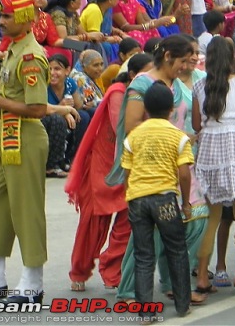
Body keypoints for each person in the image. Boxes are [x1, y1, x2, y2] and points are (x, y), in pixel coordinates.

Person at [0, 0, 50, 304]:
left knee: (26, 211)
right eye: (2, 15)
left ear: (23, 17)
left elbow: (38, 109)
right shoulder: (13, 50)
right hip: (8, 137)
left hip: (27, 137)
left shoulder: (32, 57)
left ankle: (32, 282)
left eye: (7, 15)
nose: (1, 21)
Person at [66, 53, 154, 292]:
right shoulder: (118, 91)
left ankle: (113, 271)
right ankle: (79, 271)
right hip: (104, 165)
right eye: (148, 72)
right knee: (93, 221)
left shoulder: (148, 91)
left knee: (128, 220)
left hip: (129, 162)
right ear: (134, 75)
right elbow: (120, 126)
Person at [121, 82, 194, 321]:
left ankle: (145, 312)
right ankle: (183, 305)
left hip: (138, 200)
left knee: (144, 255)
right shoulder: (178, 136)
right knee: (176, 250)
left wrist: (129, 196)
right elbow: (184, 173)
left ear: (146, 109)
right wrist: (185, 203)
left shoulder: (133, 136)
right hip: (165, 199)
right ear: (171, 109)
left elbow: (127, 173)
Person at [193, 37, 235, 295]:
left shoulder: (200, 85)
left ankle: (201, 276)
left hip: (209, 148)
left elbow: (197, 125)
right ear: (233, 56)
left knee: (212, 216)